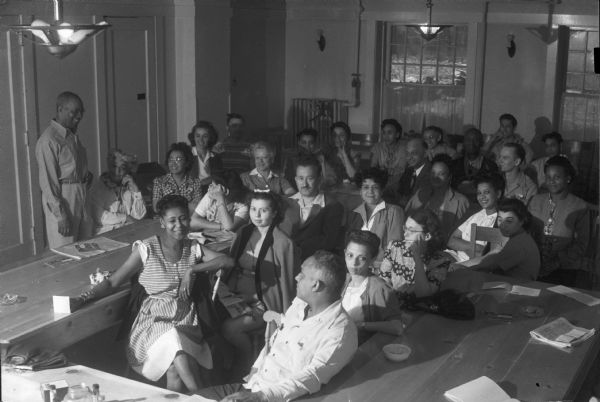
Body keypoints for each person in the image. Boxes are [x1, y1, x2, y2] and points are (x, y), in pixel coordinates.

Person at [76, 194, 235, 393]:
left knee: (174, 371)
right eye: (172, 220)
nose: (179, 225)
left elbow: (227, 261)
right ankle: (201, 395)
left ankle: (197, 396)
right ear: (162, 222)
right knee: (175, 344)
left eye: (184, 218)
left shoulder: (193, 247)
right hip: (152, 323)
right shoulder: (147, 248)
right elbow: (113, 281)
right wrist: (83, 298)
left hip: (186, 320)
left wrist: (192, 270)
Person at [197, 250, 358, 402]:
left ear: (315, 285)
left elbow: (312, 376)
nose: (296, 277)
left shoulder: (339, 331)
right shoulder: (299, 305)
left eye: (302, 275)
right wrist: (251, 380)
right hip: (251, 387)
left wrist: (261, 396)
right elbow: (272, 348)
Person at [221, 191, 300, 375]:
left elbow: (285, 285)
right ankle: (223, 364)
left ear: (274, 213)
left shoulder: (283, 243)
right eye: (253, 209)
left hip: (265, 303)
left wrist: (253, 297)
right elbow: (231, 267)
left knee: (229, 329)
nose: (257, 215)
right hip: (235, 296)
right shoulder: (244, 232)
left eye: (263, 210)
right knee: (211, 315)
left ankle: (247, 365)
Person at [35, 91, 93, 248]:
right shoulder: (48, 141)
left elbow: (71, 167)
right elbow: (48, 183)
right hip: (65, 198)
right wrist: (61, 216)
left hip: (81, 194)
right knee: (65, 250)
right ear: (60, 109)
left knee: (87, 247)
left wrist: (85, 175)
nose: (79, 116)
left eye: (82, 111)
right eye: (74, 111)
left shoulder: (71, 136)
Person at [529, 156, 589, 286]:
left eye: (557, 177)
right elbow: (526, 231)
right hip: (534, 262)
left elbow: (582, 244)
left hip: (564, 268)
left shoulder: (579, 206)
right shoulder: (535, 200)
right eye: (548, 177)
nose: (551, 181)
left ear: (568, 178)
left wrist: (557, 261)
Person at [449, 198, 540, 280]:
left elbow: (485, 266)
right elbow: (486, 258)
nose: (503, 225)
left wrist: (458, 270)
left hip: (519, 290)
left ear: (521, 221)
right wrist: (458, 265)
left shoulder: (519, 243)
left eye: (509, 221)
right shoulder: (512, 237)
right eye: (500, 219)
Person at [343, 230, 405, 343]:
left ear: (372, 259)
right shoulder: (342, 281)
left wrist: (362, 325)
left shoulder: (379, 288)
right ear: (344, 253)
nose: (354, 263)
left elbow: (397, 327)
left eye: (362, 258)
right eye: (350, 255)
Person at [280, 156, 344, 260]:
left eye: (310, 178)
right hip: (283, 258)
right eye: (301, 178)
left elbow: (329, 242)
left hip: (313, 262)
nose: (304, 184)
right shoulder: (284, 202)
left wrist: (296, 251)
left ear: (319, 179)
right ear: (295, 179)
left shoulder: (333, 206)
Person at [379, 209, 453, 297]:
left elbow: (424, 293)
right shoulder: (395, 247)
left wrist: (417, 257)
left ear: (427, 236)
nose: (405, 234)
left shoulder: (440, 260)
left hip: (419, 308)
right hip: (393, 302)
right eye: (405, 229)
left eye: (411, 231)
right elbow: (383, 279)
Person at [405, 154, 470, 243]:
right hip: (418, 245)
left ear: (449, 177)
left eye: (441, 174)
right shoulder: (420, 194)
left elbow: (465, 234)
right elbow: (407, 221)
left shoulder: (461, 201)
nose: (436, 177)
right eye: (433, 173)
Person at [346, 167, 405, 264]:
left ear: (382, 190)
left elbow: (396, 250)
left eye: (375, 187)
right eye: (365, 187)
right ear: (360, 191)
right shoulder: (355, 213)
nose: (370, 191)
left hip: (381, 270)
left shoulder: (394, 212)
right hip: (355, 267)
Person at [446, 173, 505, 262]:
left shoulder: (501, 220)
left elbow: (487, 255)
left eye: (486, 192)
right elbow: (451, 241)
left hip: (473, 266)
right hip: (454, 257)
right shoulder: (474, 212)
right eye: (479, 193)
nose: (482, 197)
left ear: (498, 194)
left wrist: (463, 246)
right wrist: (474, 246)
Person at [87, 149, 146, 235]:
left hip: (128, 232)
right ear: (109, 167)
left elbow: (139, 216)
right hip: (106, 235)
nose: (117, 172)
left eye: (121, 168)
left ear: (126, 169)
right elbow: (100, 217)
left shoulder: (128, 187)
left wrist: (136, 191)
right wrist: (125, 217)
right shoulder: (98, 188)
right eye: (114, 167)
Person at [152, 142, 203, 214]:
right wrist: (187, 206)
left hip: (189, 221)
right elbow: (156, 208)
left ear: (186, 162)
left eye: (178, 159)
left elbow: (198, 208)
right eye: (171, 159)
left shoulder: (195, 182)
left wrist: (168, 205)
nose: (173, 163)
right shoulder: (159, 181)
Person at [452, 127, 498, 203]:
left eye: (475, 140)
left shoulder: (490, 166)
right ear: (463, 142)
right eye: (468, 140)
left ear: (481, 143)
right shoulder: (454, 164)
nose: (471, 143)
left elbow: (492, 191)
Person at [370, 118, 407, 191]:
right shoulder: (377, 147)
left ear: (397, 134)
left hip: (398, 184)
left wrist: (383, 170)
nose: (386, 136)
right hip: (379, 182)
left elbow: (401, 170)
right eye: (384, 133)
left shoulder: (403, 149)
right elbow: (373, 167)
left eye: (389, 133)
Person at [396, 138, 432, 207]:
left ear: (425, 153)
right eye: (407, 153)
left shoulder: (432, 173)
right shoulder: (409, 170)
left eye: (414, 153)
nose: (409, 157)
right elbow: (398, 190)